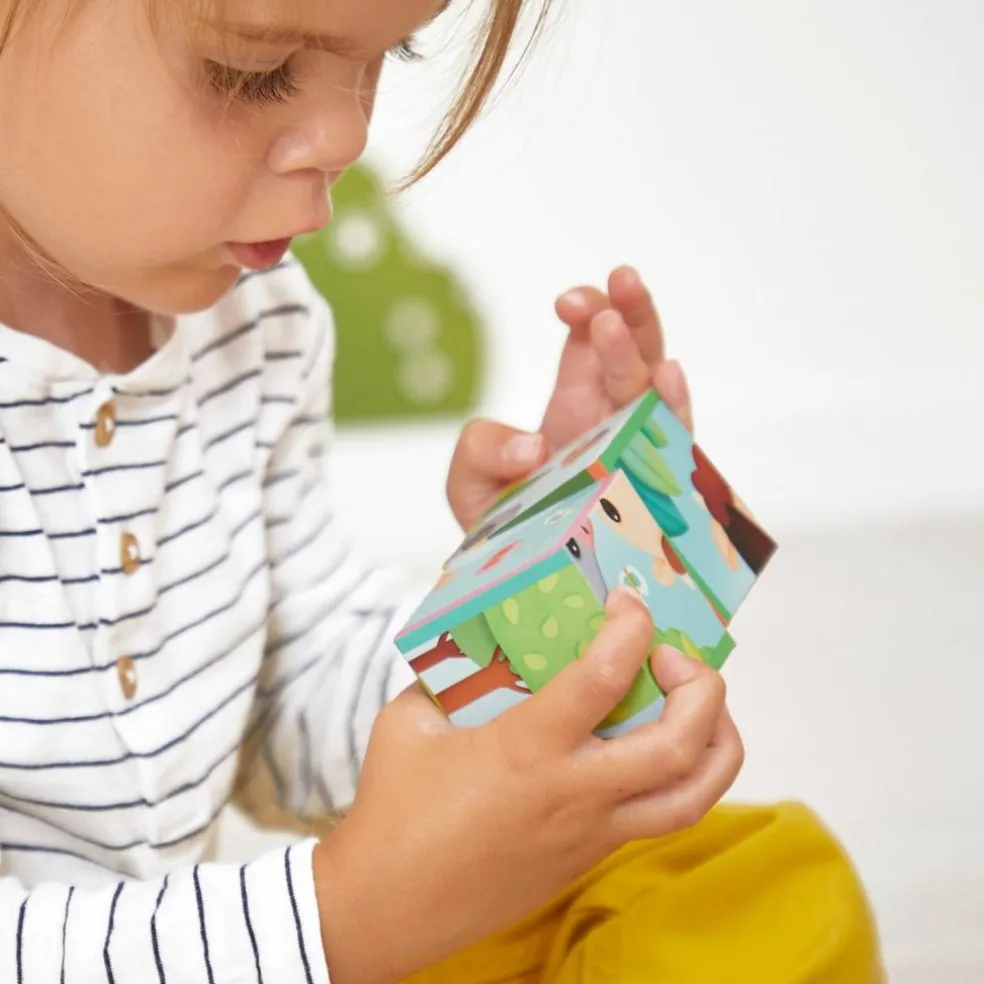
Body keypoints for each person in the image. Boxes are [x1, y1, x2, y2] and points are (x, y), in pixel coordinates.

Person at [0, 1, 883, 981]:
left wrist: (524, 609)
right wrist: (346, 917)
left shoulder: (255, 324)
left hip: (253, 945)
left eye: (386, 57)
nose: (348, 135)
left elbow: (290, 684)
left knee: (757, 882)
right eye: (250, 72)